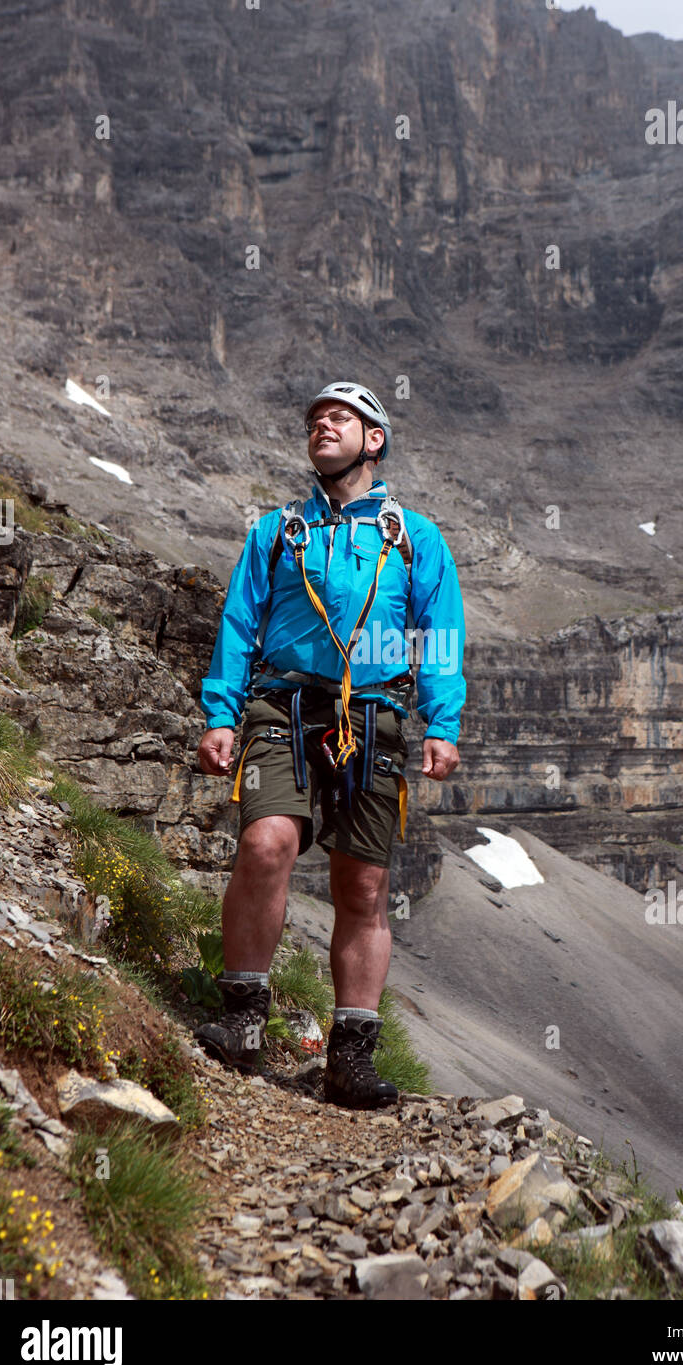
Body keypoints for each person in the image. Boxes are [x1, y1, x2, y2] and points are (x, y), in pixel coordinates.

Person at [195, 381, 466, 1108]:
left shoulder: (414, 537)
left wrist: (442, 725)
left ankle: (349, 1060)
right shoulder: (278, 531)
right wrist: (221, 714)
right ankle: (243, 1021)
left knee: (365, 887)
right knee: (265, 845)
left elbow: (440, 638)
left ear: (374, 439)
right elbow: (237, 624)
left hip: (373, 716)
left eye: (339, 419)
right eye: (315, 420)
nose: (323, 427)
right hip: (281, 703)